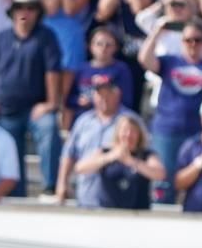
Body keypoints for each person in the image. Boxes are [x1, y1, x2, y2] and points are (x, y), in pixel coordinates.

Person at [0, 0, 62, 196]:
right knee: (10, 152)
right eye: (20, 7)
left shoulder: (46, 37)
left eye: (31, 8)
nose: (25, 12)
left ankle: (50, 188)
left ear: (37, 12)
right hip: (4, 109)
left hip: (36, 108)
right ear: (12, 12)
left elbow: (53, 71)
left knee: (49, 127)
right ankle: (16, 194)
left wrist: (51, 103)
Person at [139, 20, 202, 204]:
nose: (192, 44)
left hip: (198, 135)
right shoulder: (170, 61)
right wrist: (157, 32)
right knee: (163, 183)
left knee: (198, 178)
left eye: (197, 40)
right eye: (188, 40)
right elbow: (145, 59)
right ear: (181, 41)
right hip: (166, 130)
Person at [56, 75, 144, 207]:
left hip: (120, 202)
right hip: (86, 198)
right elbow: (69, 154)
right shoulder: (83, 121)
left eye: (108, 93)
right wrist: (62, 183)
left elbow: (144, 152)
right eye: (99, 94)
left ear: (117, 93)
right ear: (94, 96)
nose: (104, 98)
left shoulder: (131, 121)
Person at [76, 115, 165, 210]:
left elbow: (160, 174)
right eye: (125, 130)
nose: (128, 134)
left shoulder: (146, 155)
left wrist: (132, 161)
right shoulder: (105, 151)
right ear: (117, 133)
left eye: (133, 131)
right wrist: (110, 157)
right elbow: (80, 168)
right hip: (108, 212)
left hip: (138, 213)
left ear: (139, 134)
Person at [67, 27, 136, 121]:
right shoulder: (81, 69)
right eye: (99, 44)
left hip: (112, 119)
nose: (103, 48)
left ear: (115, 47)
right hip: (84, 119)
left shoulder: (121, 69)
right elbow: (69, 99)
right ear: (90, 46)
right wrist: (78, 101)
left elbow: (126, 100)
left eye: (108, 45)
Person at [175, 94, 202, 212]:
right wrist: (199, 163)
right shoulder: (190, 146)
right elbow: (178, 183)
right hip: (194, 215)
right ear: (201, 117)